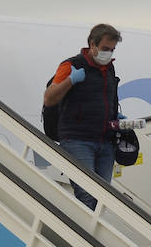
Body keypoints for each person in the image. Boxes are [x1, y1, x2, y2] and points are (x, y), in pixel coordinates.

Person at [44, 23, 126, 210]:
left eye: (112, 50)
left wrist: (115, 117)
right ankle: (82, 229)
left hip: (105, 140)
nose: (108, 54)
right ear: (92, 44)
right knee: (86, 195)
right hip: (77, 140)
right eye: (105, 48)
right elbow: (49, 98)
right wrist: (70, 80)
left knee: (103, 198)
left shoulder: (109, 69)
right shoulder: (71, 65)